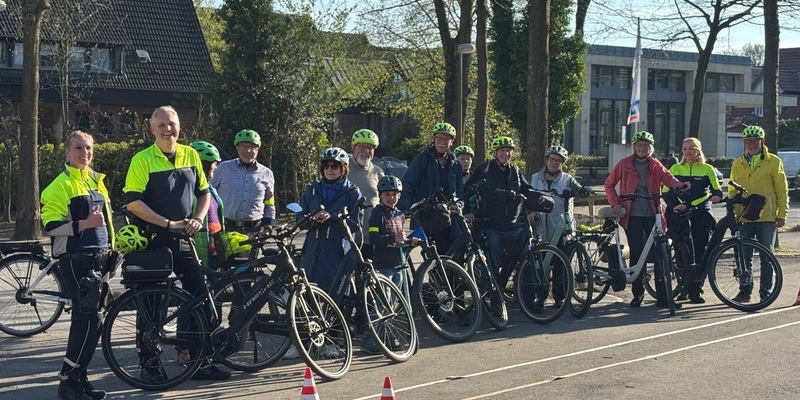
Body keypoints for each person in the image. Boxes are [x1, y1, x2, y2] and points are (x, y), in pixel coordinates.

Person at [124, 106, 230, 381]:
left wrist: (197, 218)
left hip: (184, 237)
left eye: (171, 123)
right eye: (161, 125)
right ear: (152, 130)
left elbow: (205, 193)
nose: (167, 128)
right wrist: (168, 223)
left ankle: (198, 359)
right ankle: (149, 365)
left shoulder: (190, 154)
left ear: (179, 127)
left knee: (200, 296)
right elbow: (134, 202)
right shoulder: (142, 159)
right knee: (151, 305)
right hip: (154, 239)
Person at [42, 131, 113, 400]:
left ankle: (79, 378)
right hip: (74, 260)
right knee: (87, 321)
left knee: (94, 322)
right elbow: (50, 226)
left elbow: (105, 223)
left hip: (98, 261)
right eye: (79, 148)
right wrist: (84, 225)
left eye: (89, 148)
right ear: (67, 153)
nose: (85, 153)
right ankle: (67, 382)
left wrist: (112, 255)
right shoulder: (59, 186)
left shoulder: (96, 181)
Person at [604, 130, 689, 309]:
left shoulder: (655, 165)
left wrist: (680, 185)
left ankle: (664, 297)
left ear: (651, 149)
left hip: (654, 213)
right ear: (634, 147)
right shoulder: (624, 164)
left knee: (661, 254)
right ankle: (638, 295)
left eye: (646, 146)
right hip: (632, 214)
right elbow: (609, 184)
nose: (642, 149)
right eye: (639, 146)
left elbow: (668, 178)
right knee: (637, 253)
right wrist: (616, 204)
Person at [729, 125, 788, 302]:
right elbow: (732, 188)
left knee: (766, 255)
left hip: (767, 216)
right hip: (744, 216)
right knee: (743, 254)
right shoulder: (737, 163)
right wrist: (732, 207)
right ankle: (745, 290)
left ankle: (765, 291)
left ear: (762, 142)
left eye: (756, 141)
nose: (752, 144)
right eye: (749, 141)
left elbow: (781, 190)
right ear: (744, 143)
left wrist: (782, 214)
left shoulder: (773, 161)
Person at [464, 136, 533, 284]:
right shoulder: (484, 169)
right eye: (502, 150)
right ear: (495, 153)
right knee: (493, 266)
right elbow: (467, 190)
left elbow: (527, 189)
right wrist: (468, 211)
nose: (505, 154)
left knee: (525, 261)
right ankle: (493, 300)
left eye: (508, 151)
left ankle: (525, 300)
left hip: (512, 225)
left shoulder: (515, 170)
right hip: (492, 226)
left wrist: (542, 196)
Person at [362, 175, 417, 354]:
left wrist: (410, 241)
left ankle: (385, 336)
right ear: (380, 195)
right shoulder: (376, 216)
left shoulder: (400, 215)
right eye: (387, 194)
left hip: (398, 265)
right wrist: (393, 238)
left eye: (394, 194)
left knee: (393, 305)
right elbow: (374, 239)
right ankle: (369, 339)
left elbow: (401, 239)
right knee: (381, 306)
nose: (391, 198)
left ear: (399, 196)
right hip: (383, 266)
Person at [663, 138, 723, 304]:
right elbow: (665, 192)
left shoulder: (707, 169)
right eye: (685, 149)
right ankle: (683, 287)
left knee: (699, 251)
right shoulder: (675, 168)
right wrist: (675, 206)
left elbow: (717, 190)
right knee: (682, 252)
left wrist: (717, 196)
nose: (688, 152)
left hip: (700, 213)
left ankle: (696, 291)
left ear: (698, 151)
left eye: (691, 149)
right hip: (678, 214)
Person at [298, 147, 362, 292]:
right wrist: (310, 220)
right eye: (326, 166)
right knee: (308, 294)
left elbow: (356, 224)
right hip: (312, 251)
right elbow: (300, 218)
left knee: (337, 296)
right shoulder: (312, 189)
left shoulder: (352, 192)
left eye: (334, 166)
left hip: (338, 252)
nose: (329, 169)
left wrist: (332, 217)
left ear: (344, 168)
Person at [399, 122, 464, 253]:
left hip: (448, 217)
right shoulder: (423, 159)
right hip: (427, 215)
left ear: (452, 142)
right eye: (438, 138)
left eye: (445, 139)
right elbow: (408, 184)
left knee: (452, 254)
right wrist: (402, 210)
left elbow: (460, 191)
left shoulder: (455, 164)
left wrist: (459, 205)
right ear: (434, 139)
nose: (441, 142)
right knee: (429, 254)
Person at [210, 129, 276, 234]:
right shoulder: (223, 168)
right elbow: (208, 195)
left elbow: (269, 202)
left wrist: (268, 224)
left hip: (254, 229)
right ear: (237, 148)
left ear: (257, 149)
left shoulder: (267, 174)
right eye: (244, 146)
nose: (248, 151)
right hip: (225, 227)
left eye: (252, 147)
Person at [529, 145, 589, 243]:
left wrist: (584, 190)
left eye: (558, 161)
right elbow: (529, 198)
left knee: (561, 256)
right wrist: (531, 213)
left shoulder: (568, 179)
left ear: (562, 163)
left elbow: (578, 190)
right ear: (547, 160)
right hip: (539, 227)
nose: (554, 163)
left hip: (560, 228)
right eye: (551, 159)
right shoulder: (535, 178)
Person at [189, 140, 229, 269]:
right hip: (201, 248)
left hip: (214, 247)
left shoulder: (208, 187)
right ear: (203, 165)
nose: (216, 167)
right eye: (214, 164)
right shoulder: (190, 190)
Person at [348, 129, 384, 260]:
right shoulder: (343, 168)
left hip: (371, 236)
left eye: (369, 147)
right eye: (361, 146)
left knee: (369, 276)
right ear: (353, 148)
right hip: (348, 236)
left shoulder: (378, 172)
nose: (365, 151)